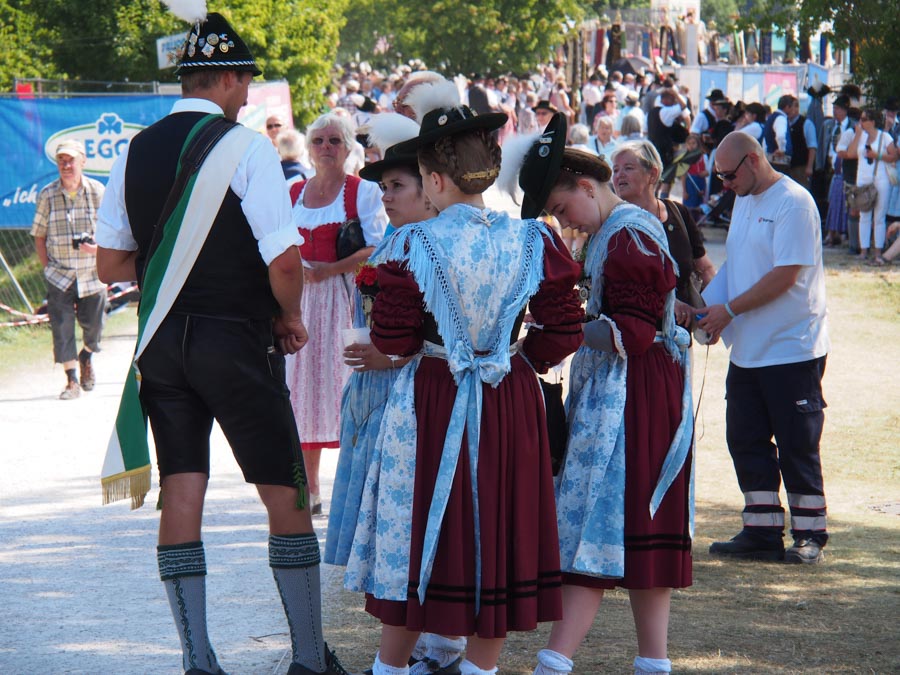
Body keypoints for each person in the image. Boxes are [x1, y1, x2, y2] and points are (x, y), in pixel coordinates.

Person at [94, 11, 347, 675]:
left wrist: (173, 258)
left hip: (163, 346)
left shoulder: (135, 149)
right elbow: (285, 262)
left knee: (183, 490)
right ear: (230, 79)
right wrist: (288, 316)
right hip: (234, 341)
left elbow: (112, 267)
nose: (246, 94)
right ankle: (307, 659)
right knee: (287, 493)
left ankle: (198, 660)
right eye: (245, 82)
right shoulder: (246, 149)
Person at [344, 82, 583, 675]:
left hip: (433, 397)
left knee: (420, 524)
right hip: (508, 400)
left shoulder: (414, 243)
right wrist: (518, 360)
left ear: (435, 180)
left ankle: (391, 668)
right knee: (495, 528)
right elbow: (563, 327)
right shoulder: (532, 239)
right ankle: (480, 667)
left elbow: (395, 341)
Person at [511, 122, 694, 675]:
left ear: (586, 187)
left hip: (634, 395)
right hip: (631, 388)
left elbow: (633, 333)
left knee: (604, 517)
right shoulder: (612, 233)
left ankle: (557, 660)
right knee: (635, 523)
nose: (561, 217)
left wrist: (557, 328)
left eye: (561, 204)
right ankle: (651, 662)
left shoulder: (627, 235)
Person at [699, 131, 830, 565]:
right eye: (719, 176)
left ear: (754, 160)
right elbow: (738, 267)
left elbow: (784, 276)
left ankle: (810, 534)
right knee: (745, 438)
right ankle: (761, 528)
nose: (724, 184)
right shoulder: (744, 199)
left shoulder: (793, 202)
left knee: (797, 443)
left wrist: (728, 311)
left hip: (791, 346)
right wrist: (704, 310)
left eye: (729, 174)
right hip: (749, 348)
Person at [285, 111, 388, 515]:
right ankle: (309, 488)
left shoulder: (362, 192)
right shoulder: (293, 192)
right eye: (319, 141)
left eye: (335, 141)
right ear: (308, 149)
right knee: (302, 391)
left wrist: (331, 269)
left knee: (346, 387)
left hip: (345, 301)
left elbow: (378, 248)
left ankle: (354, 485)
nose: (326, 147)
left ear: (348, 148)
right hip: (301, 303)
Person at [611, 139, 716, 327]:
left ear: (653, 174)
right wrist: (668, 304)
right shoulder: (612, 223)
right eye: (615, 170)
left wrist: (714, 311)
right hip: (632, 337)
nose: (619, 176)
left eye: (627, 168)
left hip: (680, 337)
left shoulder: (679, 213)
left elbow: (705, 268)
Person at [31, 139, 106, 400]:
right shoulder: (48, 194)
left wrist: (98, 250)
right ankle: (71, 380)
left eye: (71, 160)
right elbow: (39, 235)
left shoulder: (98, 191)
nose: (66, 165)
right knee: (61, 327)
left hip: (93, 272)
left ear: (83, 162)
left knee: (95, 328)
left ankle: (86, 355)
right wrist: (47, 267)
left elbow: (112, 233)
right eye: (62, 160)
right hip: (59, 273)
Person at [842, 108, 898, 265]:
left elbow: (894, 155)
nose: (861, 121)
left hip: (881, 179)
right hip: (862, 179)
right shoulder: (860, 136)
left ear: (872, 122)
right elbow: (850, 154)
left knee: (879, 217)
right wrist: (858, 134)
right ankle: (864, 250)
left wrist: (877, 156)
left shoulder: (884, 137)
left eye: (864, 119)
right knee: (864, 216)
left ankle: (878, 251)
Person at [763, 94, 818, 188]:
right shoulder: (783, 120)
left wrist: (809, 167)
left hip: (800, 166)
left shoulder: (806, 123)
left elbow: (812, 146)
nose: (793, 110)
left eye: (795, 107)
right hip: (785, 165)